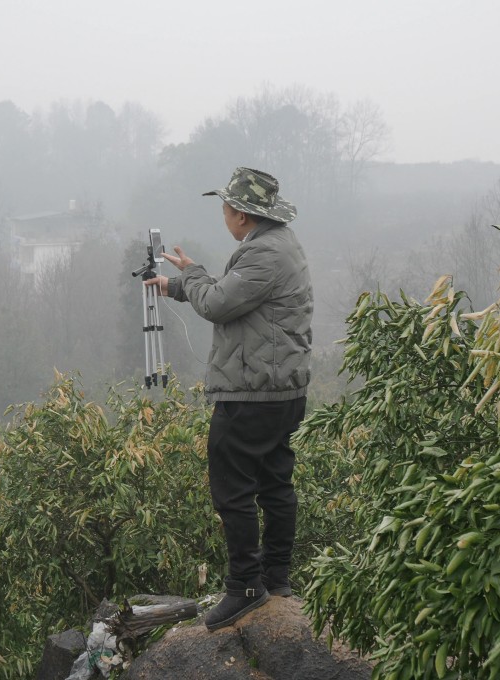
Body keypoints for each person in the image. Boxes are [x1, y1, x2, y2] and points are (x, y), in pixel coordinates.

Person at [145, 167, 313, 630]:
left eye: (224, 207)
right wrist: (178, 283)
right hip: (281, 390)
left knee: (233, 488)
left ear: (241, 214)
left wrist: (194, 275)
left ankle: (245, 587)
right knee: (275, 482)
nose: (223, 214)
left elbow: (218, 303)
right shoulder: (279, 244)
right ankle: (276, 579)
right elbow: (229, 295)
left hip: (252, 394)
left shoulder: (262, 255)